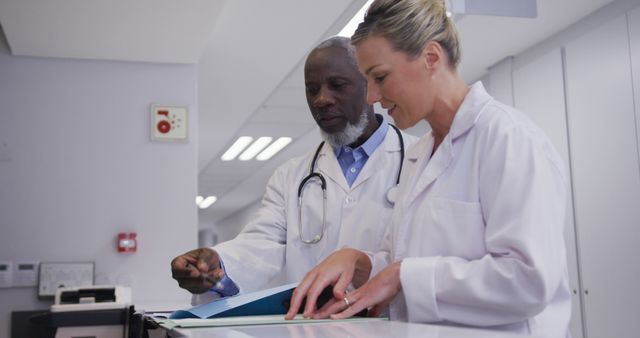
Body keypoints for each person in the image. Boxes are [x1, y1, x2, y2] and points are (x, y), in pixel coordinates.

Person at [286, 0, 572, 336]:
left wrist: (401, 275)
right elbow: (404, 262)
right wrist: (359, 261)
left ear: (431, 58)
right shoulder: (420, 155)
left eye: (380, 77)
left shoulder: (509, 139)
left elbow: (529, 281)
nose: (372, 96)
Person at [171, 36, 417, 304]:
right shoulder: (290, 176)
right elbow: (261, 244)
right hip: (310, 327)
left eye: (337, 85)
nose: (321, 99)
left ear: (370, 86)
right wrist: (216, 264)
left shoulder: (421, 159)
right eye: (312, 89)